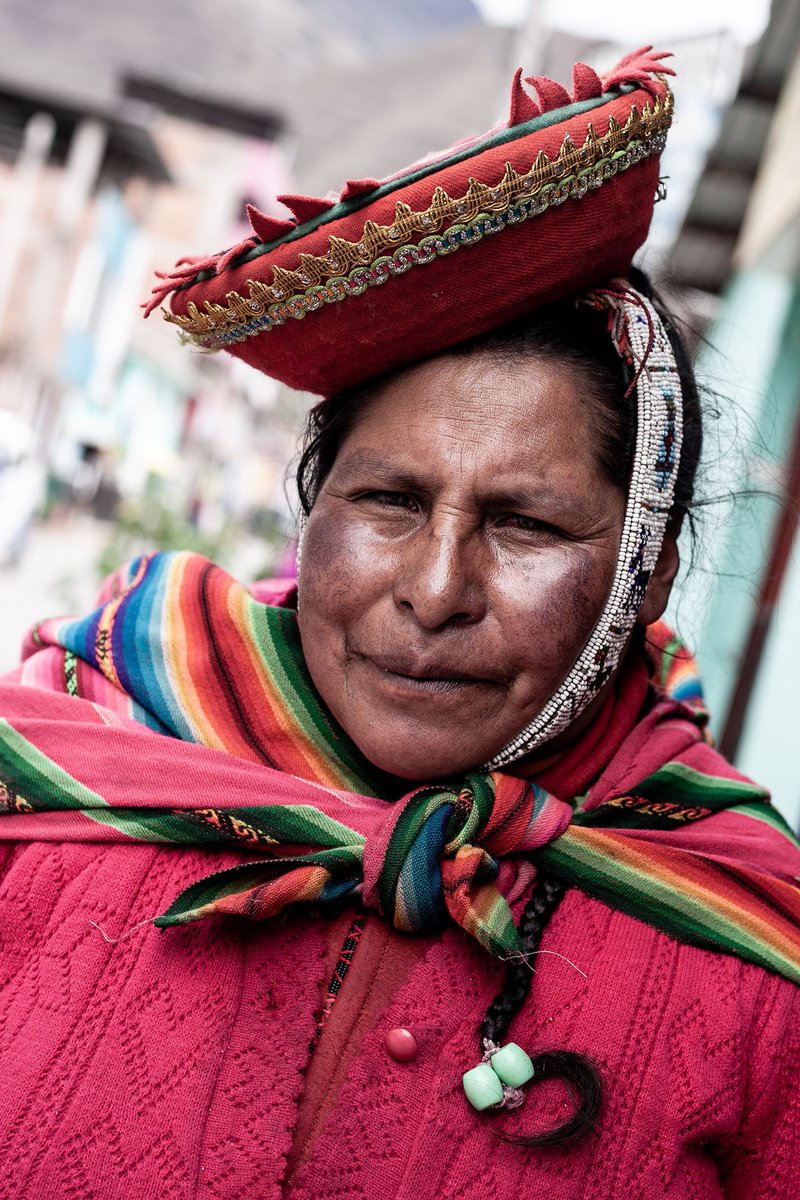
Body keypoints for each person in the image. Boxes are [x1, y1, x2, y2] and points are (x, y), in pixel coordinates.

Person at [1, 47, 799, 1200]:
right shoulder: (56, 779)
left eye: (523, 524)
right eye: (388, 502)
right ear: (312, 508)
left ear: (647, 577)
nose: (433, 590)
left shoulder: (753, 973)